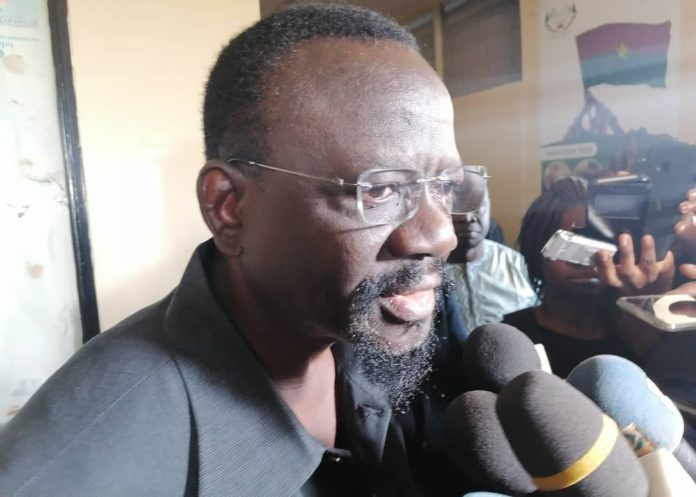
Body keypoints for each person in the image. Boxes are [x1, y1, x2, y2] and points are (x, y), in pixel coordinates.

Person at [0, 5, 488, 497]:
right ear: (228, 206)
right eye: (379, 190)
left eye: (446, 185)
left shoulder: (364, 324)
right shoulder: (76, 470)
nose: (439, 236)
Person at [503, 177, 673, 377]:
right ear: (537, 253)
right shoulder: (512, 335)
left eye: (595, 244)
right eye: (566, 247)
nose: (582, 262)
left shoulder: (632, 333)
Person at [447, 188, 538, 331]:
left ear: (488, 206)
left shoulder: (516, 263)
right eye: (455, 208)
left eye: (476, 206)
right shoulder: (426, 272)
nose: (466, 217)